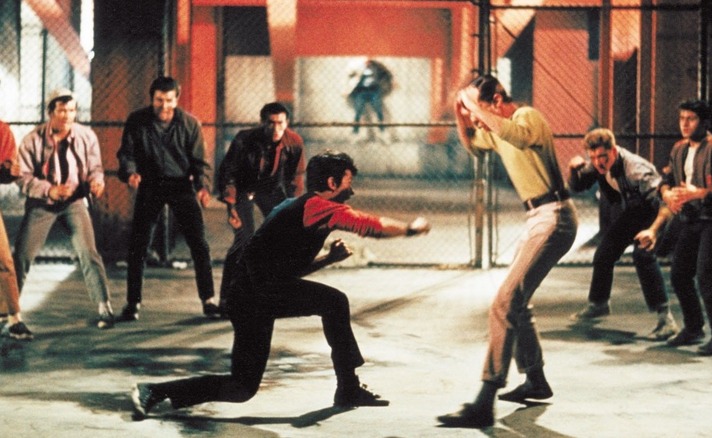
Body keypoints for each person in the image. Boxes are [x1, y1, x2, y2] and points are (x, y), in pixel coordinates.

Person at [130, 150, 431, 419]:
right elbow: (370, 226)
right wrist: (410, 229)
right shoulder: (318, 207)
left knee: (242, 387)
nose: (351, 191)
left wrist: (327, 259)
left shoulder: (301, 207)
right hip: (254, 296)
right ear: (330, 183)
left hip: (257, 293)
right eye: (347, 182)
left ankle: (156, 392)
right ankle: (154, 390)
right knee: (331, 304)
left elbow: (287, 270)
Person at [437, 75, 578, 428]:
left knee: (504, 302)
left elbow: (511, 134)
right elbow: (472, 144)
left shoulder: (527, 118)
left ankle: (485, 399)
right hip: (536, 217)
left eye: (477, 107)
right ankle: (535, 379)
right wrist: (461, 113)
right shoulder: (497, 128)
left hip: (555, 216)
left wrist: (473, 109)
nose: (472, 115)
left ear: (497, 100)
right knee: (517, 301)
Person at [635, 99, 712, 356]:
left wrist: (700, 193)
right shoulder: (679, 148)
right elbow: (667, 180)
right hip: (690, 220)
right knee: (680, 274)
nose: (684, 123)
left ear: (703, 122)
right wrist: (667, 193)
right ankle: (694, 328)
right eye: (682, 118)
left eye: (690, 119)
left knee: (707, 275)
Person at [117, 76, 217, 321]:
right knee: (139, 244)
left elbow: (200, 162)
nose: (164, 106)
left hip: (181, 184)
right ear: (152, 99)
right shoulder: (137, 121)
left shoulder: (189, 124)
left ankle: (209, 300)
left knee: (199, 244)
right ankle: (133, 303)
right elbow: (126, 154)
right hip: (149, 183)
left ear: (177, 99)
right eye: (159, 100)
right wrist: (130, 173)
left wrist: (203, 187)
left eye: (169, 100)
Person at [13, 89, 114, 330]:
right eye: (61, 111)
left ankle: (104, 306)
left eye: (71, 111)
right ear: (50, 113)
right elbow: (22, 177)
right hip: (42, 204)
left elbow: (95, 168)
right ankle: (8, 311)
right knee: (22, 255)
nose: (67, 116)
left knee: (88, 252)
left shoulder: (86, 136)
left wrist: (96, 182)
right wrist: (48, 190)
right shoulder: (32, 140)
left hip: (74, 202)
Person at [568, 128, 678, 340]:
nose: (599, 163)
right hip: (635, 212)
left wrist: (653, 231)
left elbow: (665, 203)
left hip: (658, 214)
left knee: (643, 256)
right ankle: (598, 304)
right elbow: (578, 185)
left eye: (602, 156)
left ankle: (666, 320)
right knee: (604, 253)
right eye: (593, 157)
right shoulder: (599, 165)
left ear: (614, 150)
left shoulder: (636, 170)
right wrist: (573, 170)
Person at [216, 102, 305, 315]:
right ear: (262, 123)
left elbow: (296, 179)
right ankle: (226, 298)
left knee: (281, 239)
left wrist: (295, 209)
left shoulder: (294, 142)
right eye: (271, 123)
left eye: (280, 123)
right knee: (243, 240)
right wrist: (231, 206)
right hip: (244, 188)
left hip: (270, 190)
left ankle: (274, 295)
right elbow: (228, 173)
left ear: (287, 123)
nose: (276, 129)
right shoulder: (244, 139)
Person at [0, 120, 29, 339]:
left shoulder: (2, 130)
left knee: (3, 259)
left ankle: (13, 316)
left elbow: (5, 171)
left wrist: (10, 171)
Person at [346, 58, 392, 136]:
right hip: (361, 91)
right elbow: (351, 76)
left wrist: (387, 85)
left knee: (378, 111)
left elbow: (387, 74)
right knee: (358, 112)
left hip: (374, 91)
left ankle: (382, 131)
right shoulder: (359, 68)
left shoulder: (377, 68)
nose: (368, 62)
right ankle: (355, 131)